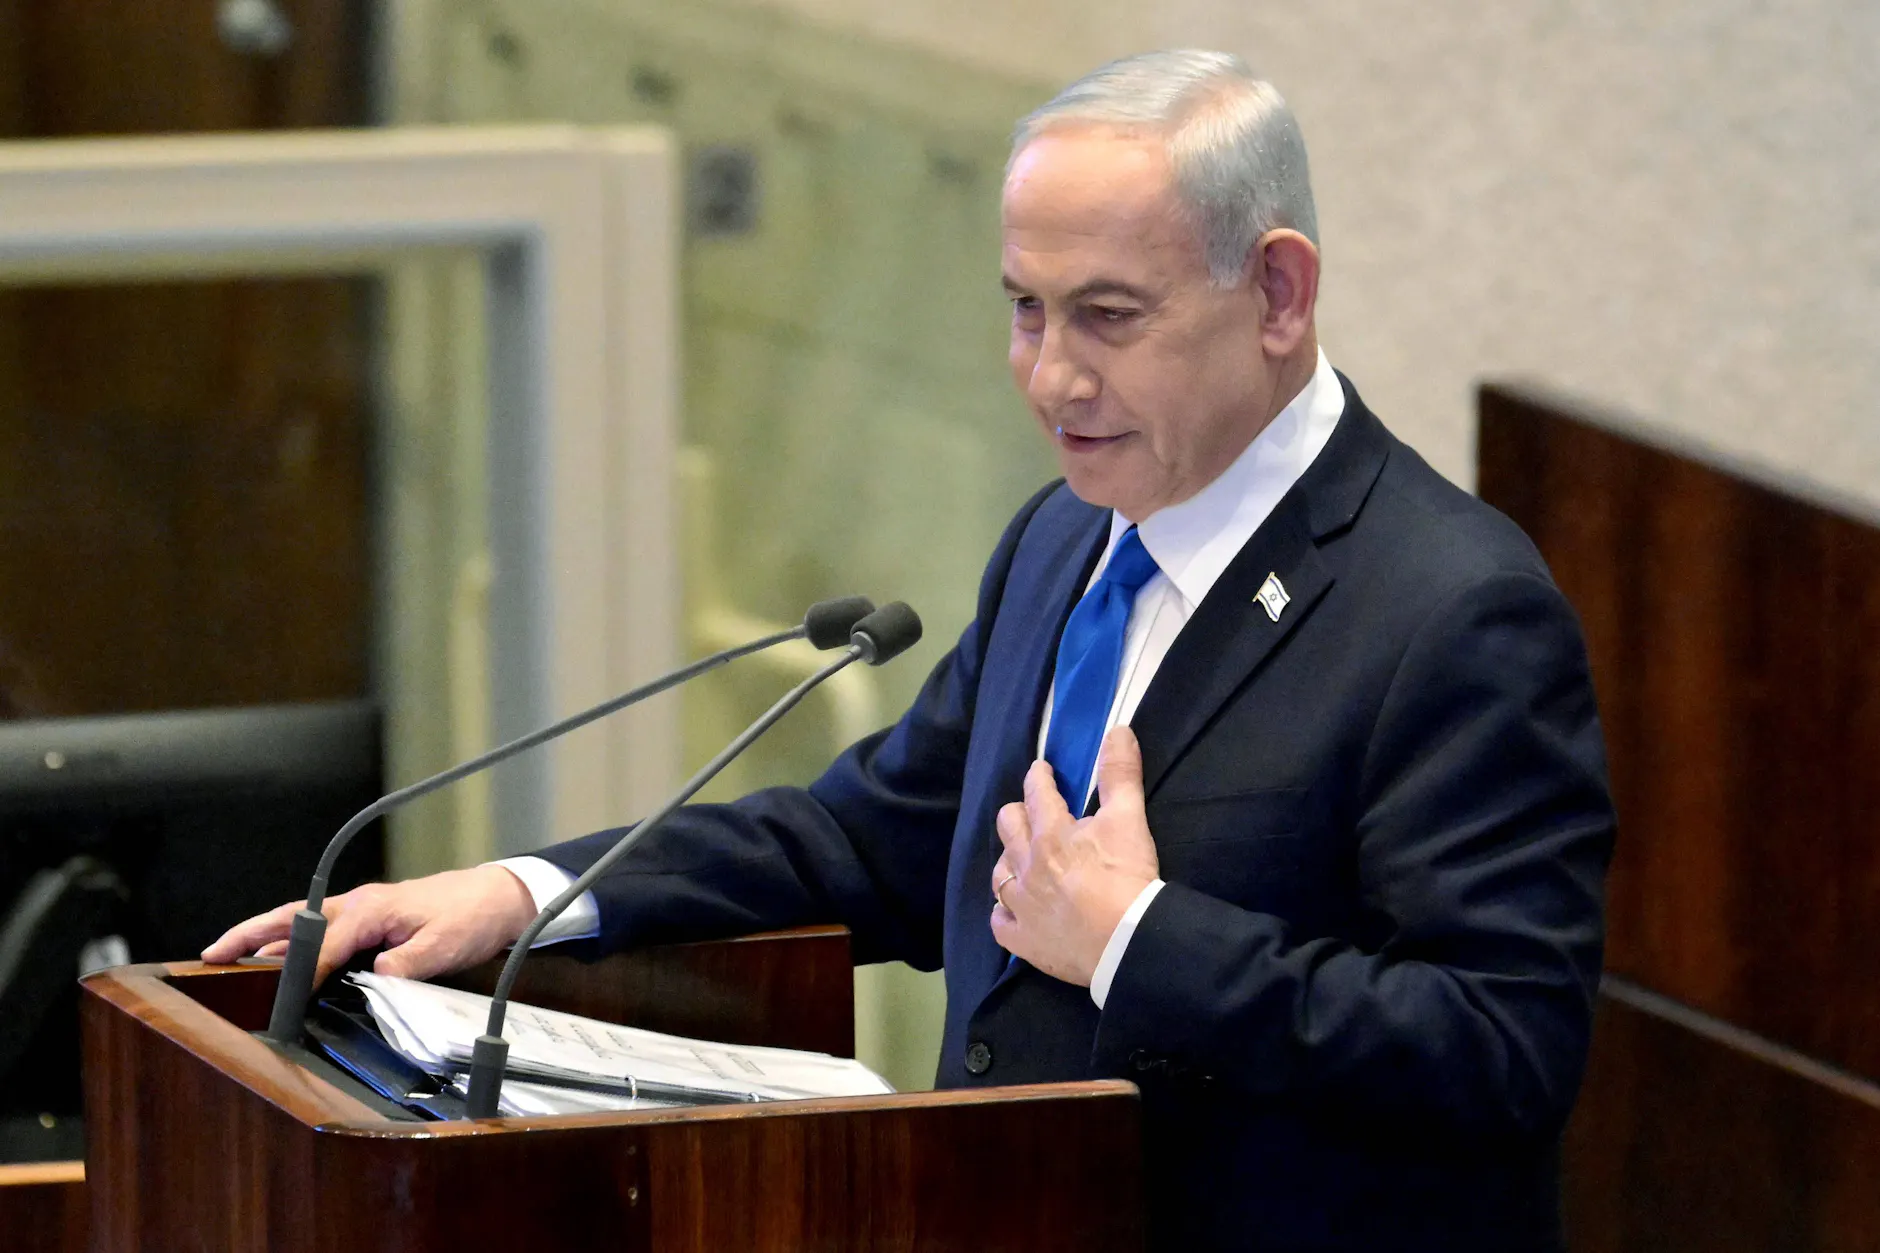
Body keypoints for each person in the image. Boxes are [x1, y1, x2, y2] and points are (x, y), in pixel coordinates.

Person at [208, 50, 1615, 1252]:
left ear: (1280, 295)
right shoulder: (1066, 541)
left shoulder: (1450, 609)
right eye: (1023, 307)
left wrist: (1137, 937)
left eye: (1108, 317)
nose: (1051, 375)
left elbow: (1501, 1051)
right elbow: (879, 840)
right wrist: (530, 892)